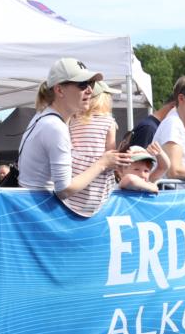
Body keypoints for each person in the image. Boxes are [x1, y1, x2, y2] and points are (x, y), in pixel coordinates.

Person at [17, 58, 129, 209]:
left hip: (33, 207)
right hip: (40, 211)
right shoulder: (55, 126)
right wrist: (103, 163)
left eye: (91, 84)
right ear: (59, 90)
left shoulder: (45, 117)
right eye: (82, 84)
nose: (90, 90)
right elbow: (64, 189)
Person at [67, 80, 121, 216]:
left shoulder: (73, 120)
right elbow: (110, 154)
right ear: (104, 100)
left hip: (77, 175)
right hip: (98, 178)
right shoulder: (109, 122)